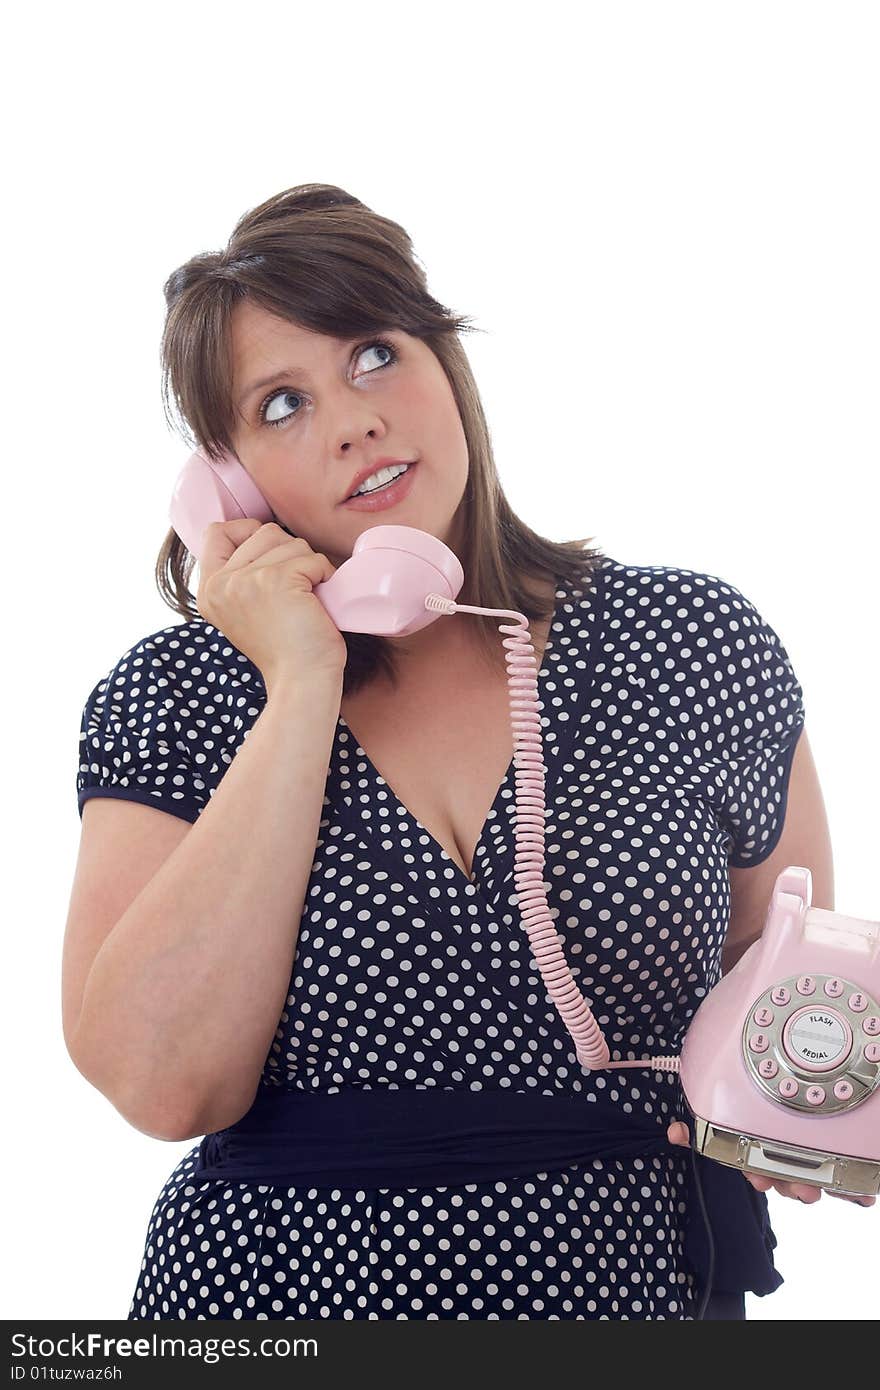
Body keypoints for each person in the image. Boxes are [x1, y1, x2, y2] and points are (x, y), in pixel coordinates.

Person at [64, 183, 864, 1324]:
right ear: (227, 481)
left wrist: (793, 1117)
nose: (352, 420)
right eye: (282, 403)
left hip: (637, 1293)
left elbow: (786, 979)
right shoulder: (178, 696)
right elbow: (163, 1082)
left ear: (447, 364)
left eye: (375, 355)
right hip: (268, 1308)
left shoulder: (691, 641)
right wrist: (297, 683)